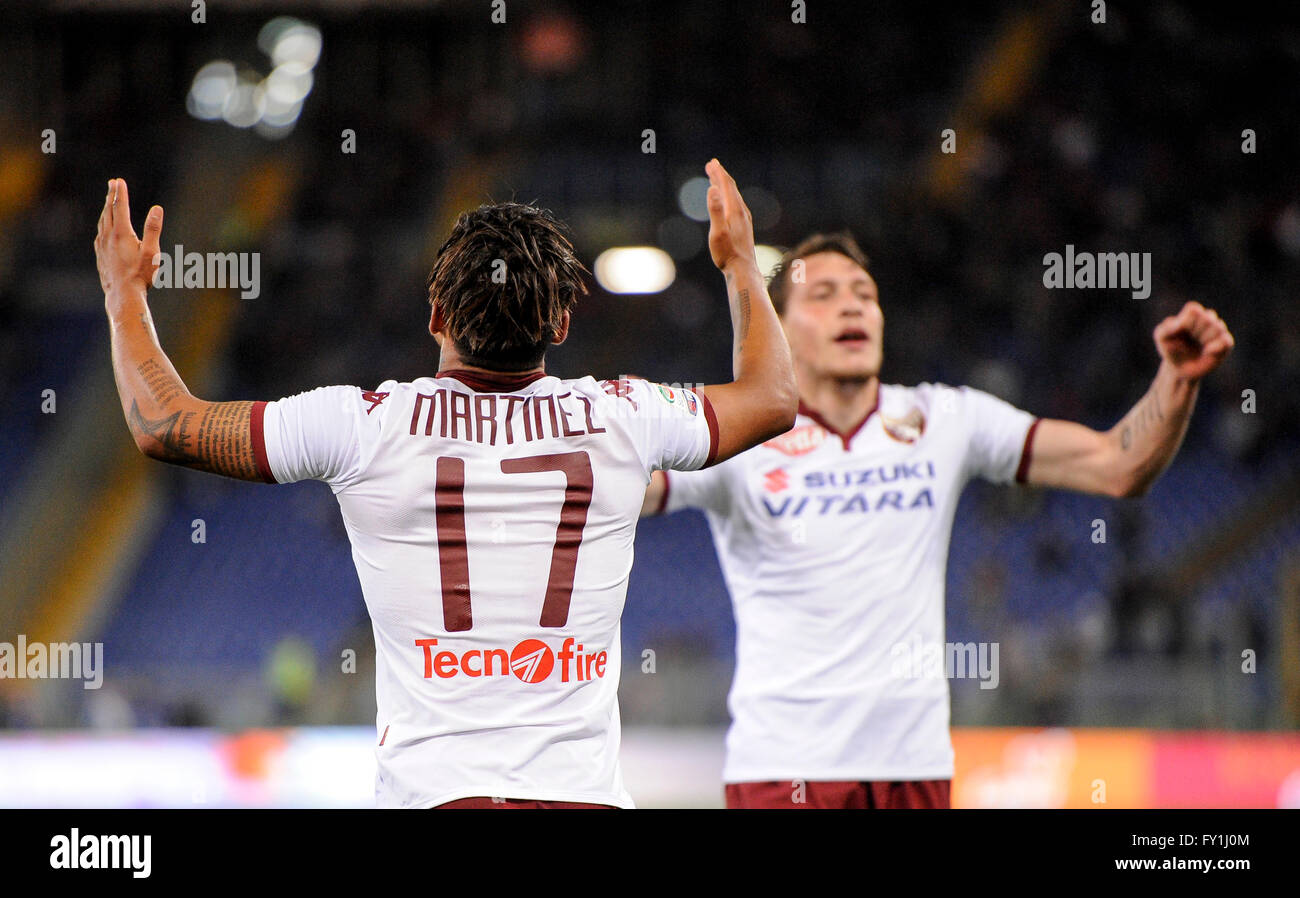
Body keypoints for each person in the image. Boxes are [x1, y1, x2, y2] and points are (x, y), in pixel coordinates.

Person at [93, 159, 796, 808]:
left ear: (434, 316)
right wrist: (739, 268)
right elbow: (770, 398)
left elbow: (165, 424)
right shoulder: (627, 414)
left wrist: (125, 295)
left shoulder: (361, 423)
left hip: (435, 797)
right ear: (560, 321)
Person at [641, 231, 1235, 809]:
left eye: (864, 294)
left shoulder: (944, 417)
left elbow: (1117, 464)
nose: (852, 304)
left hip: (913, 772)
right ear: (781, 330)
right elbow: (625, 485)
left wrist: (1177, 380)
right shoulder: (742, 438)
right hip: (781, 772)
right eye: (822, 294)